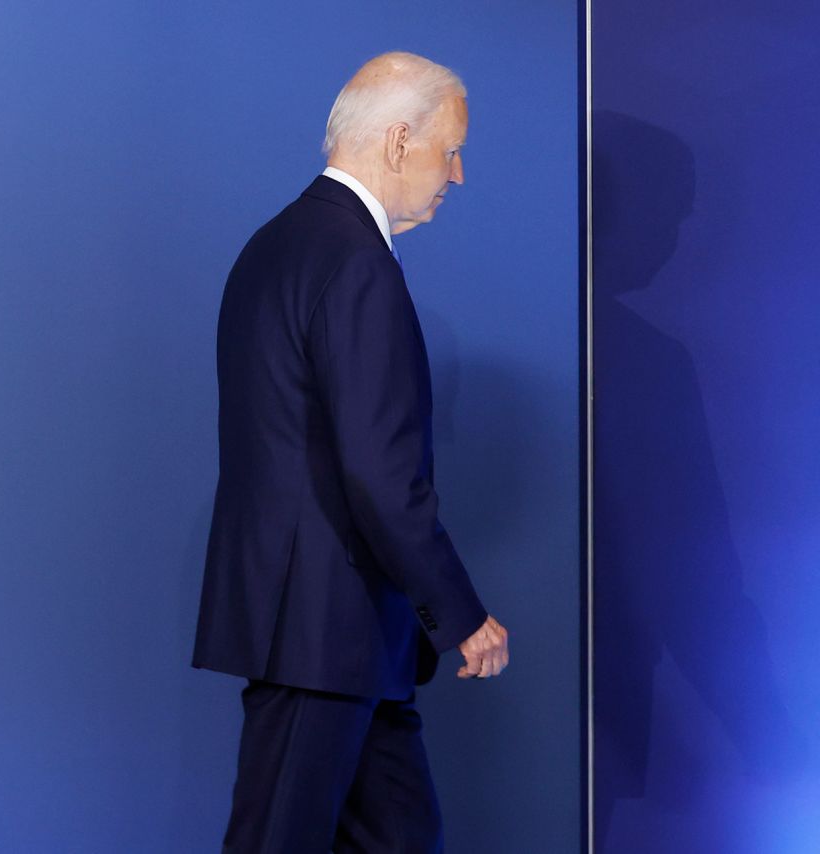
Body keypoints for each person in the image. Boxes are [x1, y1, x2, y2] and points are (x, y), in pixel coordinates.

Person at [191, 51, 510, 853]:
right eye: (451, 149)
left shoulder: (277, 244)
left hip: (341, 634)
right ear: (400, 141)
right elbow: (379, 470)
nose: (458, 174)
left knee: (401, 837)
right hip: (322, 633)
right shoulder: (357, 264)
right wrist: (461, 615)